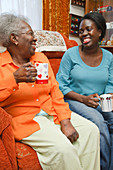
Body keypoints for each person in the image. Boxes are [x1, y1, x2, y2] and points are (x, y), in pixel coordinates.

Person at [0, 13, 100, 170]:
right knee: (64, 149)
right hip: (25, 120)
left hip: (50, 112)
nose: (35, 39)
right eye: (30, 33)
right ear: (14, 38)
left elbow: (55, 91)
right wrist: (14, 79)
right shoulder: (1, 64)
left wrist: (65, 121)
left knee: (91, 131)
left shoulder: (41, 59)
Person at [56, 12, 113, 170]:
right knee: (99, 123)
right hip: (74, 100)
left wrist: (108, 97)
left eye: (89, 29)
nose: (84, 34)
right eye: (81, 31)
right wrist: (83, 99)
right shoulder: (70, 54)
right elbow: (60, 85)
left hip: (99, 101)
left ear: (100, 32)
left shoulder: (109, 57)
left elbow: (110, 84)